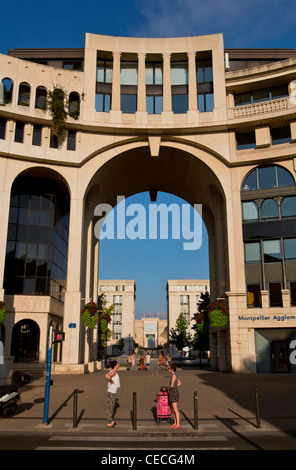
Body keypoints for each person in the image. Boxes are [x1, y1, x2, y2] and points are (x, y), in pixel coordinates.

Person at [105, 360, 120, 427]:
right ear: (115, 365)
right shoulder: (113, 372)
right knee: (111, 407)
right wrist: (111, 381)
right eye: (118, 364)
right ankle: (109, 422)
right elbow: (107, 376)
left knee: (111, 406)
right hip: (112, 391)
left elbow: (106, 375)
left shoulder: (111, 371)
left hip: (111, 390)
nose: (119, 364)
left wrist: (111, 380)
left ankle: (110, 420)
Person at [168, 363, 181, 428]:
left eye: (169, 368)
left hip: (173, 392)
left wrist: (168, 388)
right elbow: (179, 383)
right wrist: (176, 387)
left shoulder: (173, 376)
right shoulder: (175, 375)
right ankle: (175, 422)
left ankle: (178, 424)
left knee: (175, 409)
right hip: (174, 392)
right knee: (173, 409)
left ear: (172, 369)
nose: (168, 369)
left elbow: (172, 385)